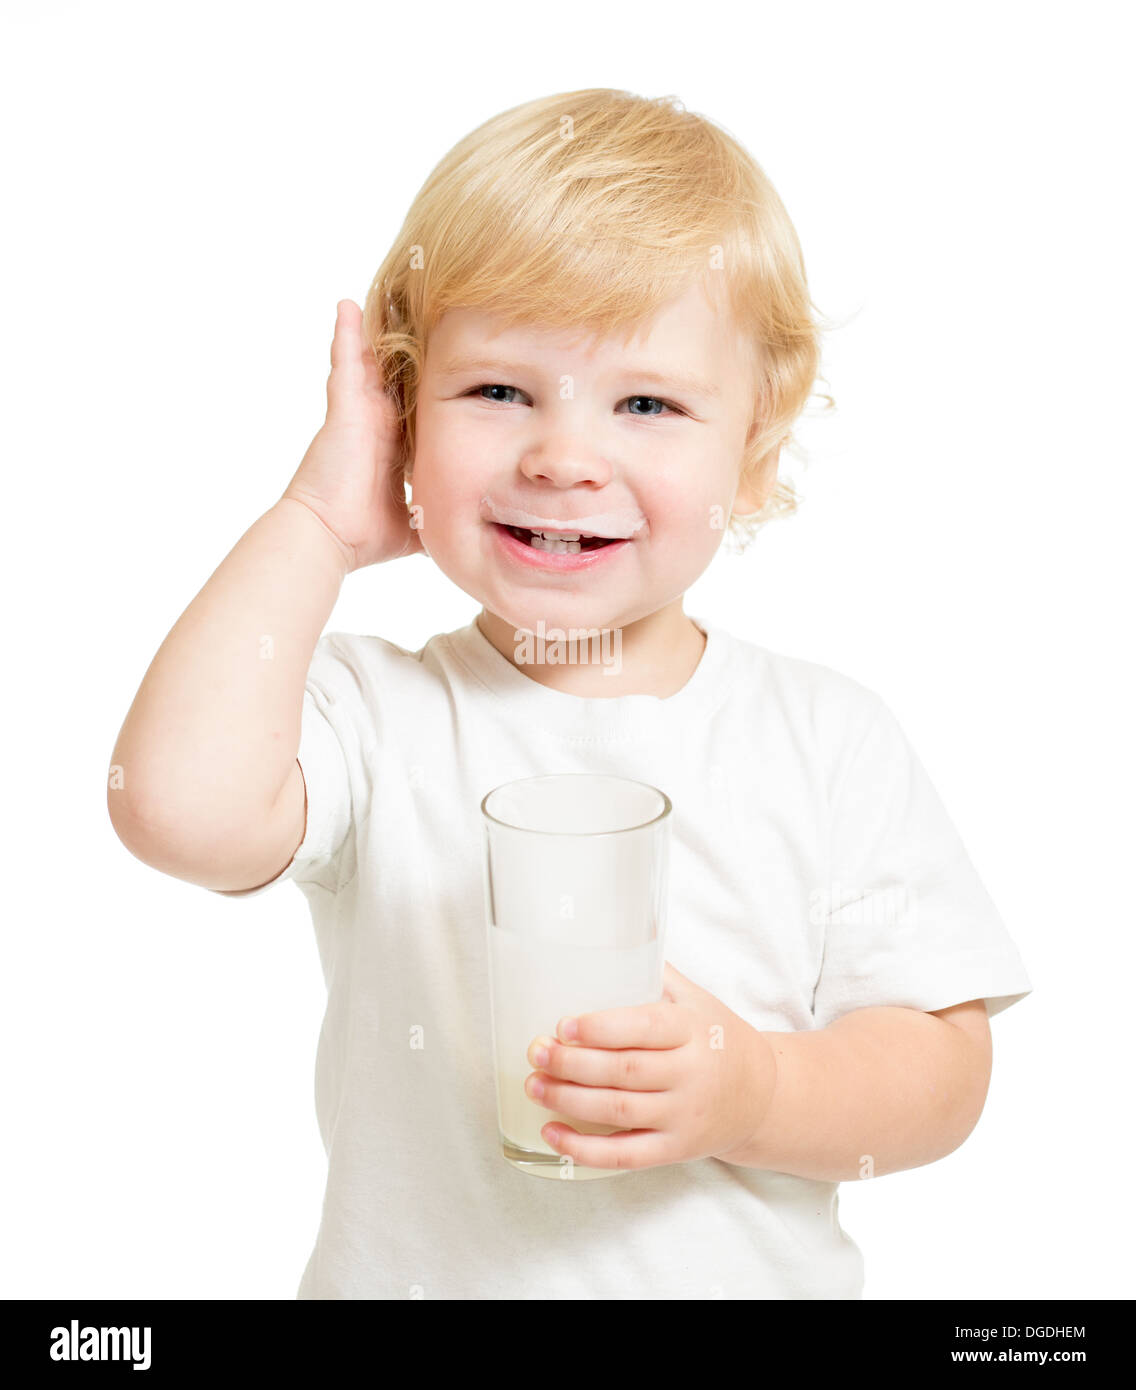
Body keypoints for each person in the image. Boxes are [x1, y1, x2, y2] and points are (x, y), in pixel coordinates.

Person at [107, 88, 1032, 1299]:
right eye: (497, 392)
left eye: (645, 404)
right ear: (400, 414)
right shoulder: (373, 715)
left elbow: (939, 1072)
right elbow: (174, 809)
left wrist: (753, 1087)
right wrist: (320, 522)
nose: (561, 456)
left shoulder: (823, 736)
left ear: (750, 453)